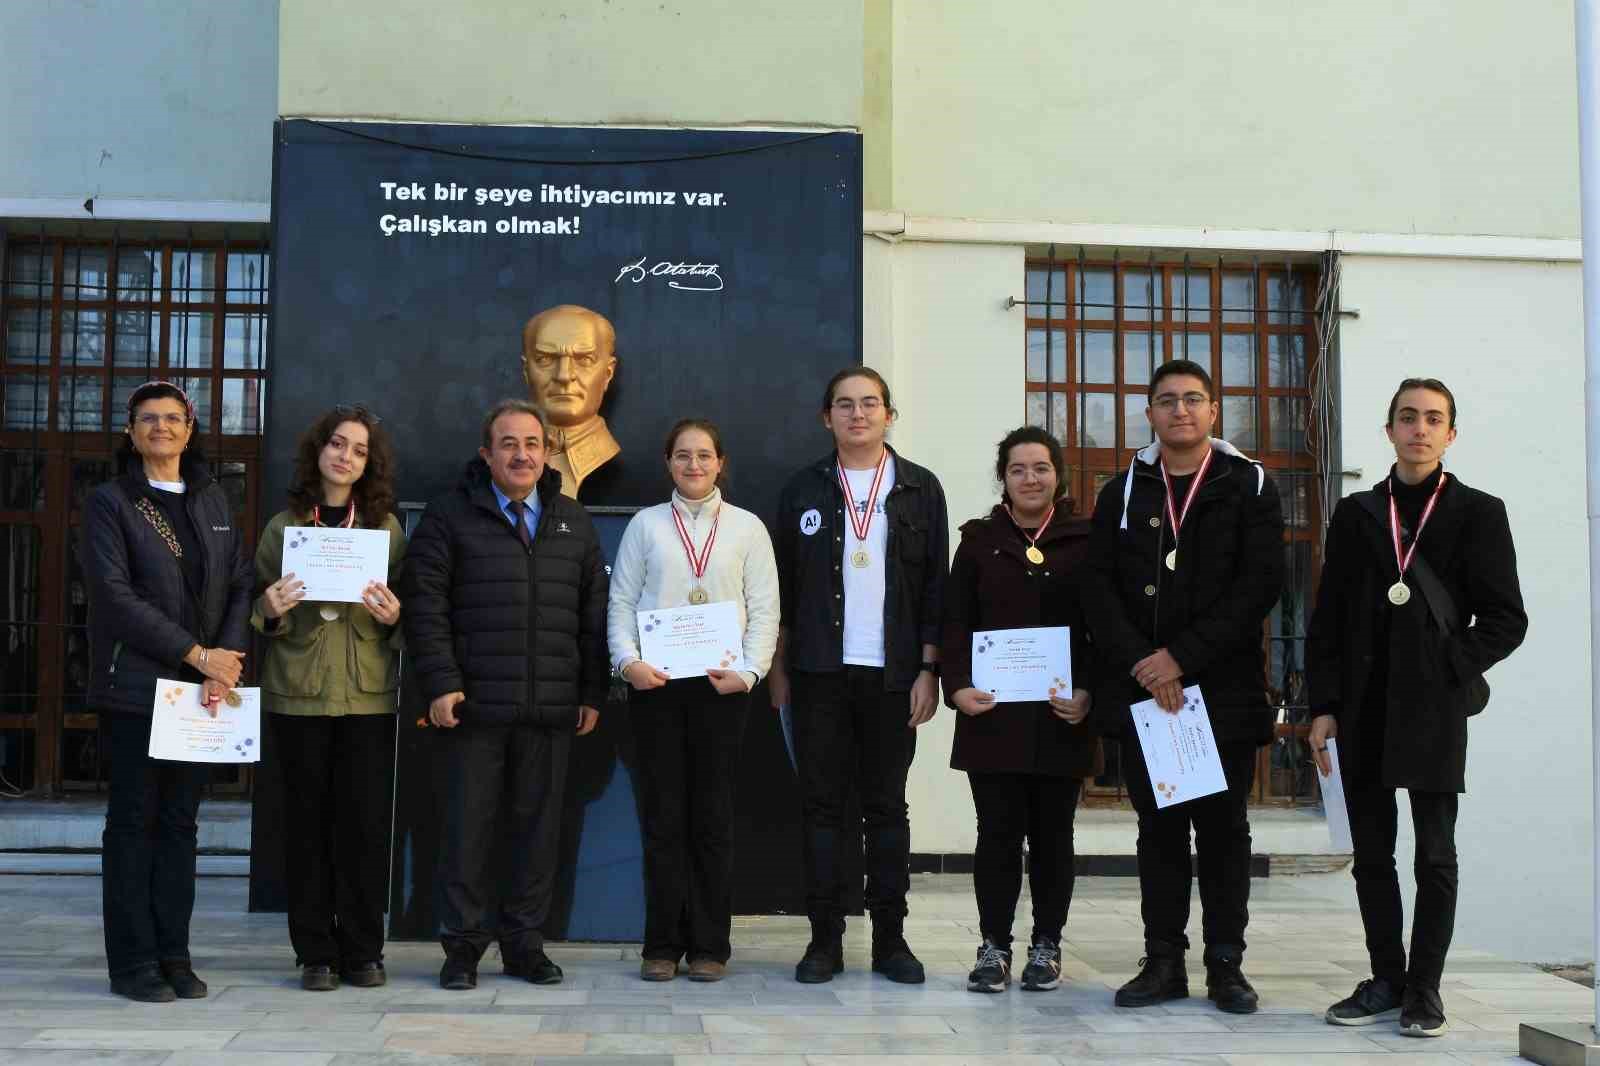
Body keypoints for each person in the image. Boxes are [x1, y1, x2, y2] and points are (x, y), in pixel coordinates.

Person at [1307, 378, 1526, 1037]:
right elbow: (1328, 620)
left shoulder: (1480, 513)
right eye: (1408, 417)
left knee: (1434, 854)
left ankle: (1424, 991)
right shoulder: (1358, 515)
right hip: (1364, 706)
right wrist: (1322, 705)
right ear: (1390, 429)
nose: (1420, 429)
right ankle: (1386, 978)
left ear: (1451, 433)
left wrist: (1448, 669)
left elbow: (1507, 620)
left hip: (1433, 710)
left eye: (1433, 419)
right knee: (1372, 854)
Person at [1080, 359, 1283, 1015]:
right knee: (1159, 831)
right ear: (1149, 413)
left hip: (1218, 693)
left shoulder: (1248, 483)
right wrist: (1146, 662)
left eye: (1193, 399)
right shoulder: (1122, 490)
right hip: (1146, 692)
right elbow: (1098, 590)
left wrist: (1182, 659)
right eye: (1166, 401)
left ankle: (1226, 965)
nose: (1180, 411)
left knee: (1224, 832)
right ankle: (1163, 960)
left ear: (1214, 411)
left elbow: (1259, 587)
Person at [403, 398, 609, 990]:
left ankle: (525, 945)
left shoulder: (572, 519)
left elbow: (591, 615)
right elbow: (426, 609)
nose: (522, 454)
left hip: (551, 711)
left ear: (548, 453)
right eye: (509, 443)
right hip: (473, 711)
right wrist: (441, 685)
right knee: (468, 833)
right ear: (486, 453)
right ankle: (463, 949)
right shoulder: (449, 517)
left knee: (537, 834)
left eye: (533, 444)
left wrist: (593, 691)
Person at [769, 367, 949, 985]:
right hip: (820, 670)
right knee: (822, 809)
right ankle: (824, 941)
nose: (858, 414)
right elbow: (784, 589)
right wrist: (780, 665)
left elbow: (934, 589)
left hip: (895, 676)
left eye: (870, 404)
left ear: (889, 415)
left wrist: (929, 669)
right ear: (827, 418)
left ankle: (892, 941)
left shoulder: (921, 489)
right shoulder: (803, 489)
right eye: (844, 405)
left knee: (887, 811)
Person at [82, 380, 253, 1002]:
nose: (161, 427)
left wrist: (221, 663)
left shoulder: (213, 498)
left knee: (181, 826)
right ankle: (133, 964)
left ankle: (175, 955)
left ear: (190, 429)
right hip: (137, 688)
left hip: (201, 691)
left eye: (173, 418)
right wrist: (196, 653)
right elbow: (115, 597)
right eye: (148, 419)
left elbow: (240, 582)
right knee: (133, 824)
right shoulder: (110, 502)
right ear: (130, 433)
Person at [607, 418, 780, 982]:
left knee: (712, 820)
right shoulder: (645, 525)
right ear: (668, 463)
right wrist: (627, 663)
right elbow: (620, 602)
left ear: (721, 462)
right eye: (683, 456)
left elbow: (765, 609)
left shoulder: (748, 528)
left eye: (704, 455)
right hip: (656, 688)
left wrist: (752, 672)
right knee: (662, 820)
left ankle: (710, 947)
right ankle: (661, 945)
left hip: (722, 691)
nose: (694, 465)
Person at [253, 405, 407, 992]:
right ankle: (315, 953)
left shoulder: (385, 528)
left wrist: (396, 616)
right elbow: (257, 607)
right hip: (299, 696)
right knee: (306, 829)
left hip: (368, 699)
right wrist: (269, 610)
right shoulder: (283, 526)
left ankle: (364, 950)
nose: (346, 456)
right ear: (318, 451)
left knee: (365, 829)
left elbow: (404, 613)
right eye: (338, 444)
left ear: (370, 465)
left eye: (359, 450)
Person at [941, 425, 1096, 994]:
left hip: (1062, 715)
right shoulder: (979, 541)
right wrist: (956, 686)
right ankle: (994, 945)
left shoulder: (1087, 539)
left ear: (1058, 475)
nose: (1030, 478)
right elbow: (954, 621)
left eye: (1041, 468)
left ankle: (1047, 945)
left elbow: (1103, 627)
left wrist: (1091, 694)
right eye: (1017, 469)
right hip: (993, 716)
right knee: (998, 835)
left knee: (1054, 836)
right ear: (1003, 479)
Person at [522, 304, 620, 498]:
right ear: (526, 372)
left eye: (584, 359)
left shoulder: (621, 473)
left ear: (608, 374)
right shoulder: (487, 474)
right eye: (545, 359)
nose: (564, 376)